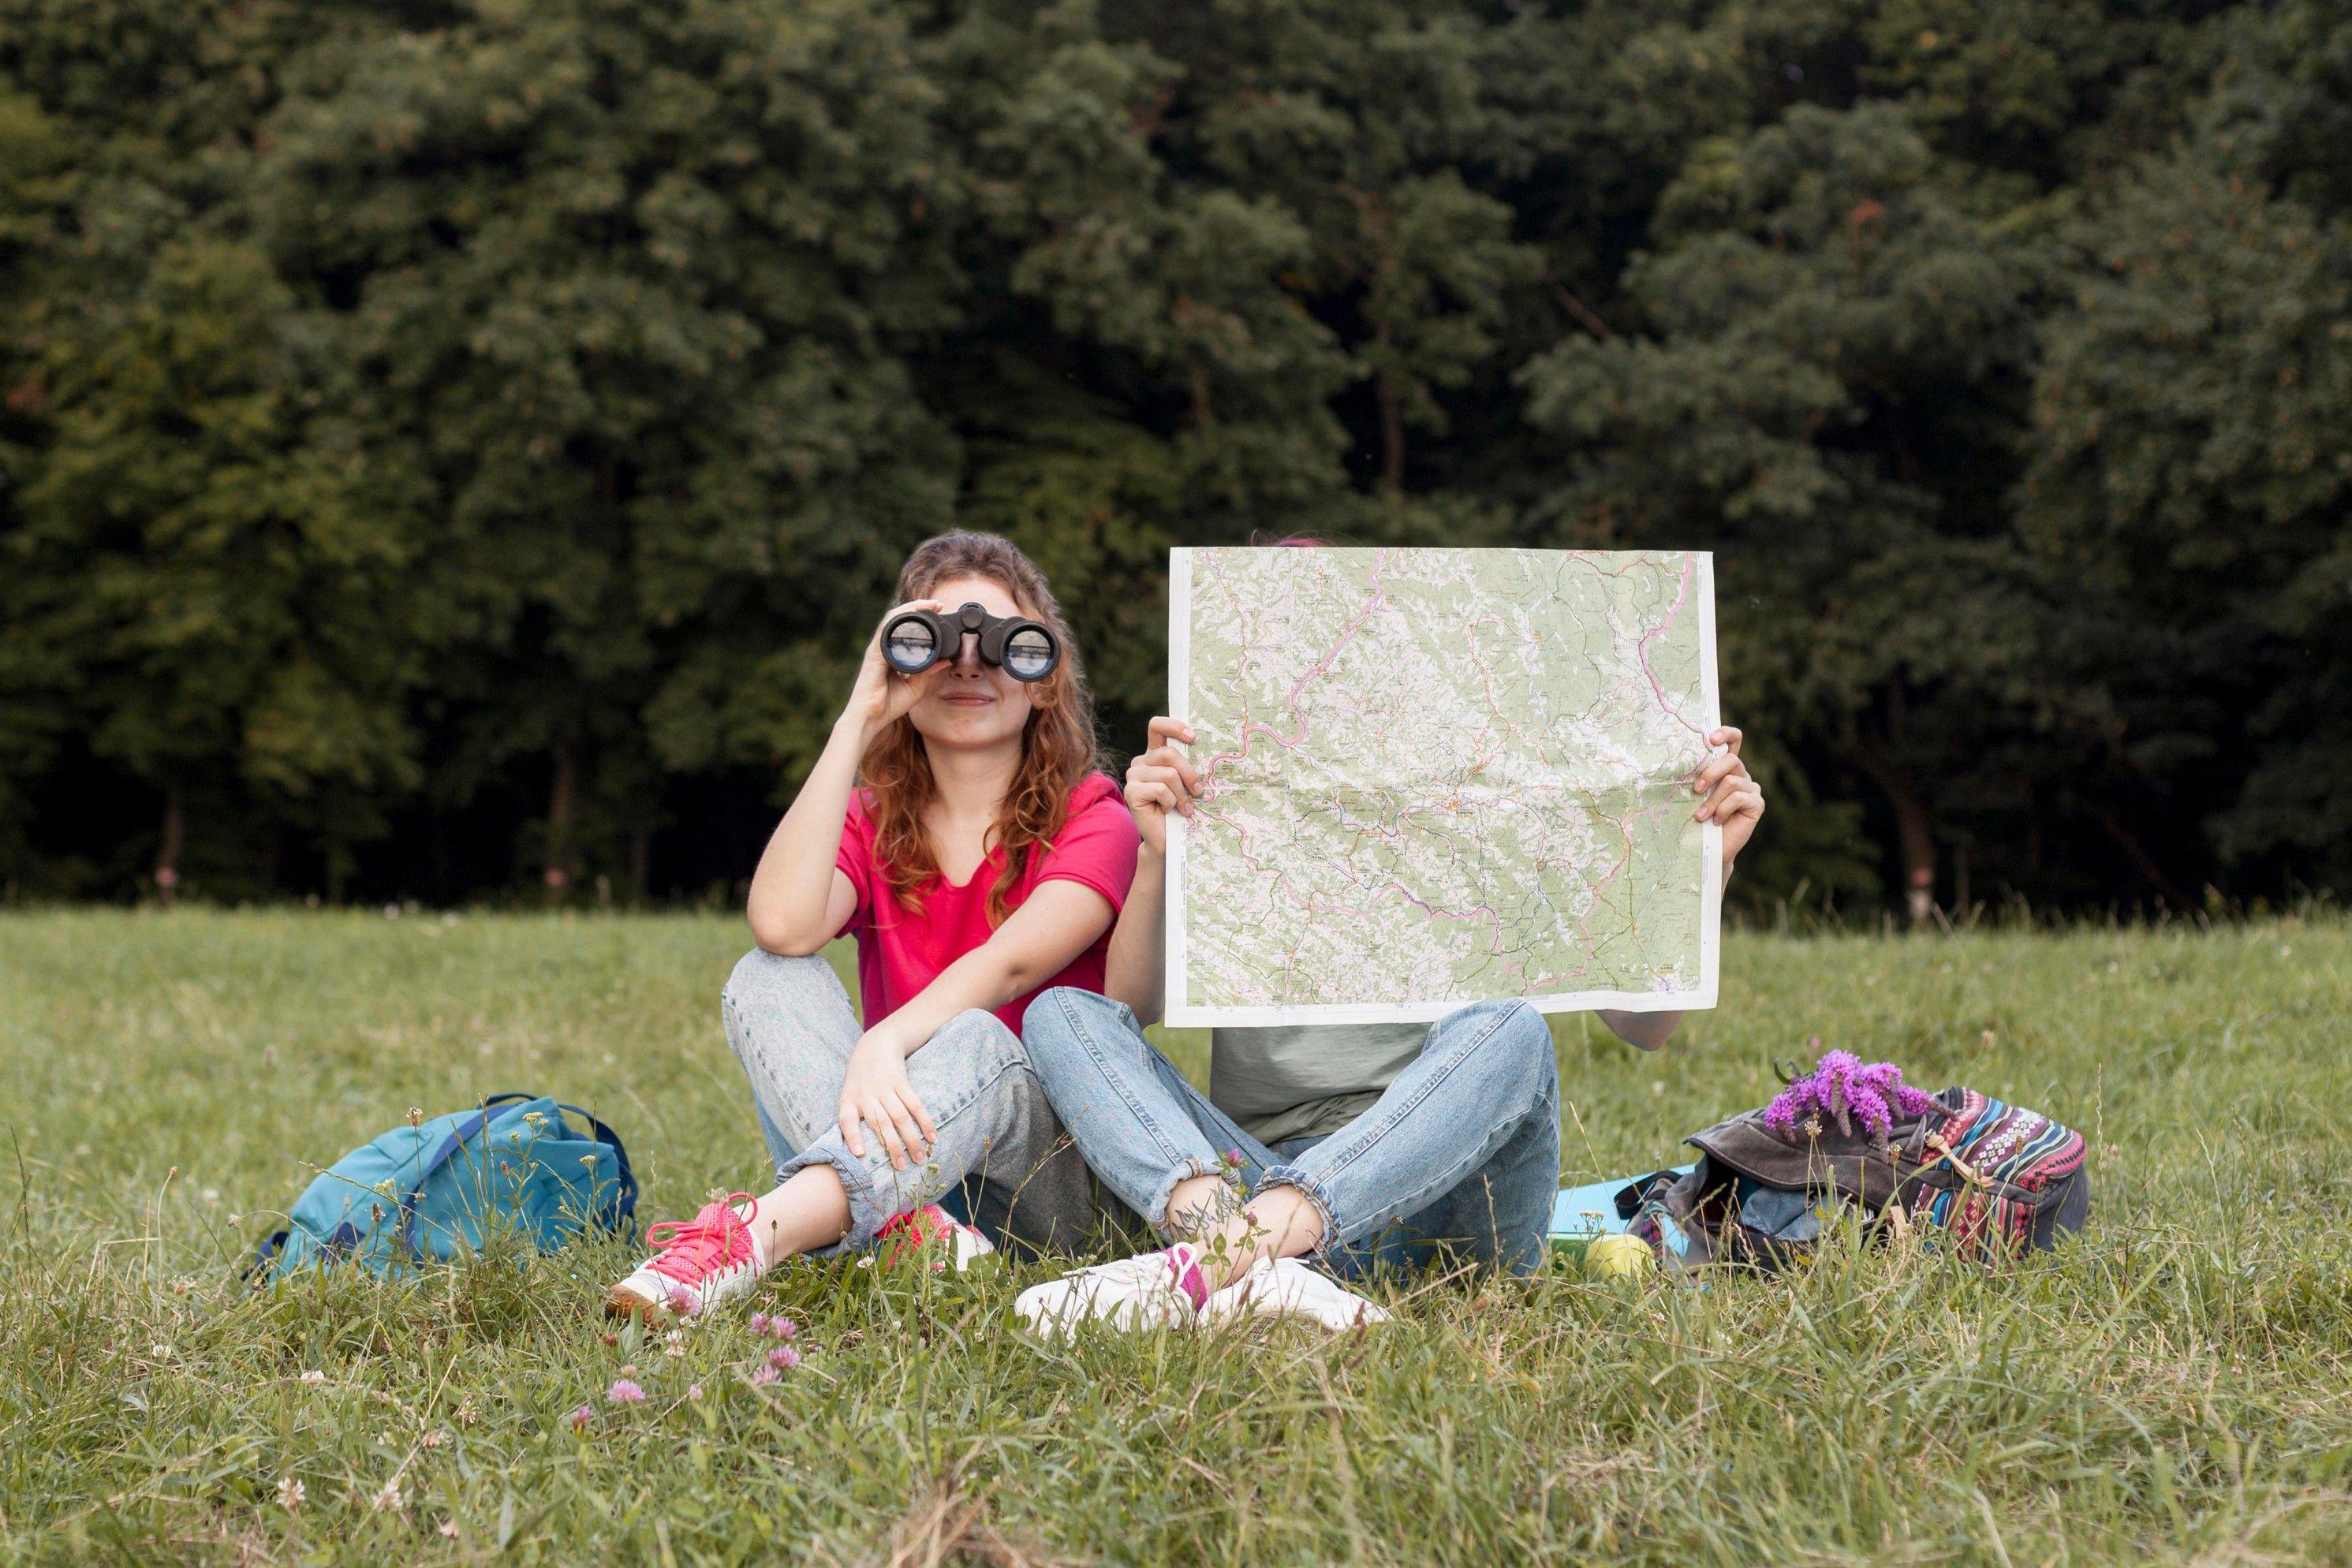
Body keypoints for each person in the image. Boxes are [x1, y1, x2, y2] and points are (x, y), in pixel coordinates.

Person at [1014, 711, 1765, 1333]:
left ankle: (1226, 1260)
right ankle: (1239, 1255)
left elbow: (1647, 1027)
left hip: (1451, 1202)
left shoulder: (1486, 805)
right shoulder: (1226, 804)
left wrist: (1704, 869)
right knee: (1063, 1013)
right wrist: (1157, 853)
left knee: (1513, 1030)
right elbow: (1134, 1003)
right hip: (1254, 1175)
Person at [607, 532, 1140, 1319]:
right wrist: (859, 715)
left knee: (980, 1038)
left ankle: (755, 1234)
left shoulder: (1096, 813)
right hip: (913, 1173)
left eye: (1001, 643)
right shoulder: (873, 820)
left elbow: (1013, 966)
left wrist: (885, 1037)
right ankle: (906, 1232)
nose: (968, 664)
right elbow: (782, 923)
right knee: (767, 975)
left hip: (1045, 1195)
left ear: (1043, 675)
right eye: (940, 642)